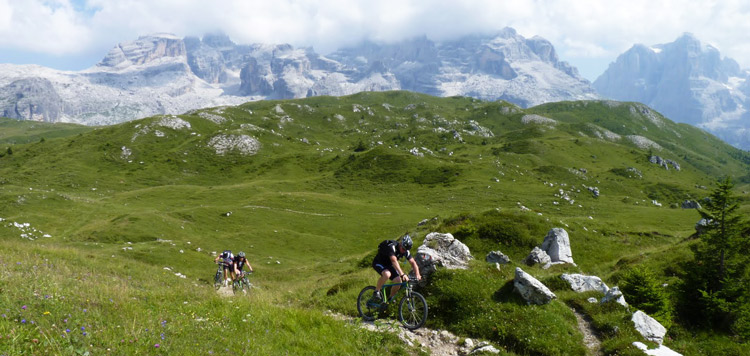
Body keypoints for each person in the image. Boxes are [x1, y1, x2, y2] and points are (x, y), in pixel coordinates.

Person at [371, 234, 422, 302]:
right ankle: (376, 291)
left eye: (406, 250)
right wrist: (402, 274)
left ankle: (390, 299)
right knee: (387, 274)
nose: (404, 251)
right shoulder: (392, 247)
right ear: (400, 244)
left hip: (389, 265)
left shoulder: (406, 251)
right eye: (403, 249)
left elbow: (413, 262)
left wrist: (417, 274)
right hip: (379, 262)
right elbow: (393, 260)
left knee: (398, 281)